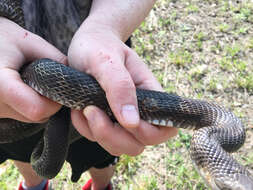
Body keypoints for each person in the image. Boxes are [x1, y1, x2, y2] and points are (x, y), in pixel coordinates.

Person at [0, 1, 178, 190]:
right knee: (22, 151)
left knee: (100, 147)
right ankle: (34, 185)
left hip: (99, 71)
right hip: (8, 83)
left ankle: (100, 186)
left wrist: (104, 27)